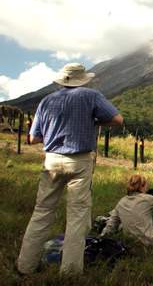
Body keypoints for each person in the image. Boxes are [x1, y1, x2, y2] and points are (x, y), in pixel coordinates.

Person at [17, 63, 123, 275]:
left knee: (42, 212)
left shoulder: (46, 100)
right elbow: (118, 119)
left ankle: (25, 266)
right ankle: (70, 272)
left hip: (52, 161)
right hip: (80, 161)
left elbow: (33, 138)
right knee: (77, 215)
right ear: (82, 78)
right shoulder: (91, 95)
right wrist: (94, 120)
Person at [100, 174, 153, 245]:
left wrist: (101, 237)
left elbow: (111, 225)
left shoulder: (121, 202)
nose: (147, 188)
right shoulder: (147, 198)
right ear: (142, 187)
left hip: (131, 242)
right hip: (152, 241)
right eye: (146, 186)